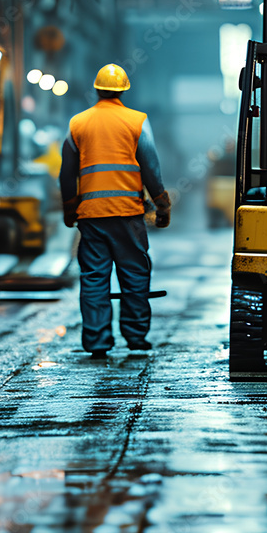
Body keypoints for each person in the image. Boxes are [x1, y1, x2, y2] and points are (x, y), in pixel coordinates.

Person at [60, 63, 170, 358]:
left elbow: (66, 174)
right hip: (127, 215)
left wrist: (70, 211)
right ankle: (135, 337)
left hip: (92, 217)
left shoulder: (78, 124)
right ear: (124, 90)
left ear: (97, 89)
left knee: (94, 278)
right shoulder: (137, 122)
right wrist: (162, 204)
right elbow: (150, 168)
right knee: (134, 275)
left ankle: (97, 342)